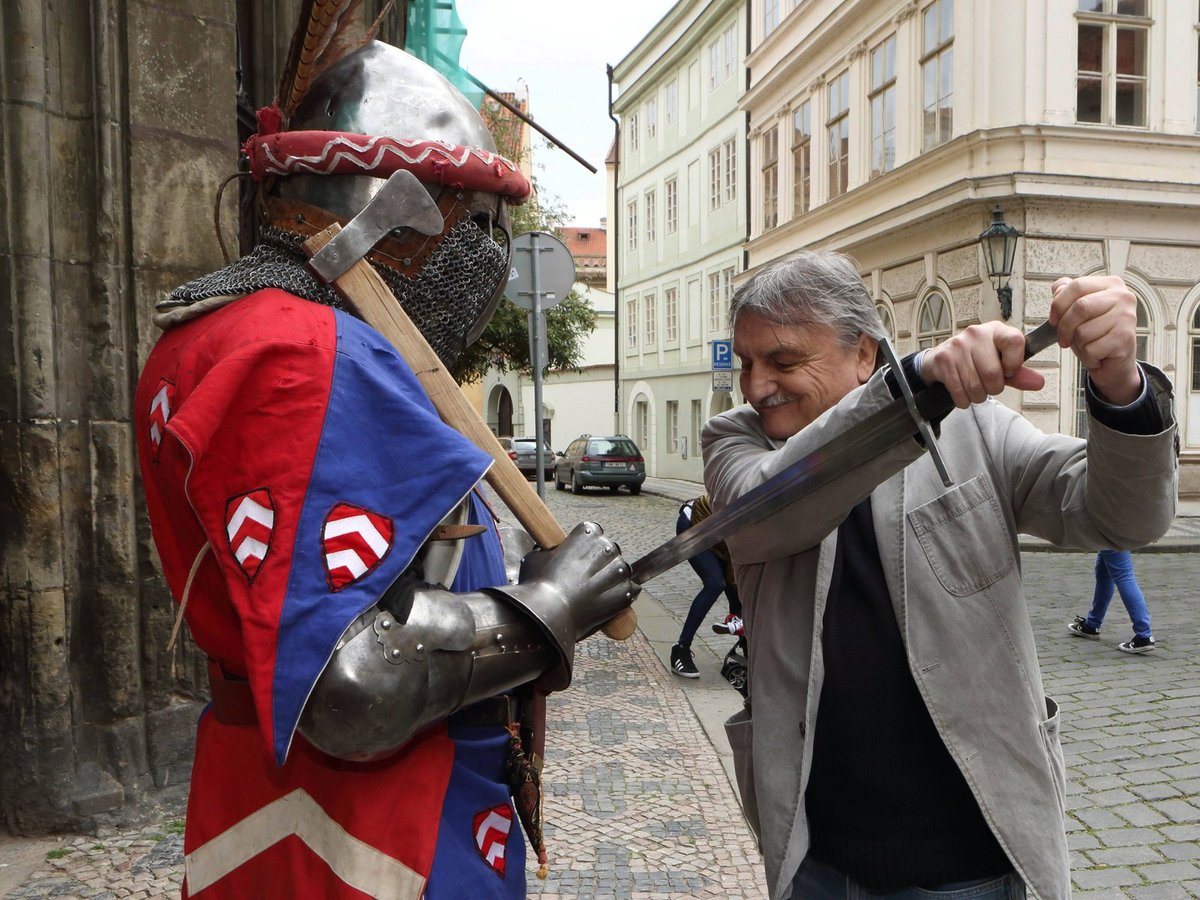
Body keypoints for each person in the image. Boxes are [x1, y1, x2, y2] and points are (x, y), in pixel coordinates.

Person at [134, 32, 637, 900]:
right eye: (477, 226)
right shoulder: (305, 353)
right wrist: (551, 604)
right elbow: (348, 683)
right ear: (402, 216)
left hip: (277, 798)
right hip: (366, 827)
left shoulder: (213, 331)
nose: (488, 258)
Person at [701, 250, 1177, 900]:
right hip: (815, 859)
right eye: (747, 362)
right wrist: (913, 389)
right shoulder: (735, 443)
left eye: (783, 361)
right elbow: (767, 509)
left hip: (974, 858)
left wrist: (1121, 384)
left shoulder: (975, 430)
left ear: (864, 354)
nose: (757, 386)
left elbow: (1123, 517)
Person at [669, 495, 742, 678]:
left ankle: (746, 649)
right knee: (715, 583)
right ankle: (681, 649)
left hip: (722, 536)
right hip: (695, 523)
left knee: (737, 593)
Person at [1068, 549, 1156, 652]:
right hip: (1112, 535)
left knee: (1124, 576)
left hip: (1111, 534)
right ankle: (1092, 625)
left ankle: (1144, 636)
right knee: (1104, 573)